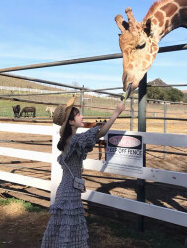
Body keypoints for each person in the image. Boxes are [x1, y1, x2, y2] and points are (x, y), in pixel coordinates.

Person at [41, 97, 125, 247]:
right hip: (69, 193)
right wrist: (117, 112)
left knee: (62, 227)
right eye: (78, 114)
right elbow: (101, 132)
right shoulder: (75, 140)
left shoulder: (68, 139)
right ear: (71, 122)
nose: (82, 116)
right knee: (70, 229)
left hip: (67, 189)